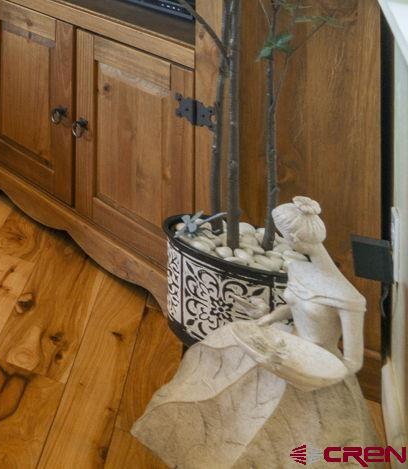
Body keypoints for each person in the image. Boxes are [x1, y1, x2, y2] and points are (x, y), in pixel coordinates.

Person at [132, 197, 376, 467]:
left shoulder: (348, 298)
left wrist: (310, 371)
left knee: (293, 444)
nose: (286, 242)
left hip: (315, 370)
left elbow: (353, 362)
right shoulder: (299, 268)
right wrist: (266, 316)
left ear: (296, 237)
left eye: (286, 236)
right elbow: (292, 307)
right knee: (241, 419)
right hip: (281, 348)